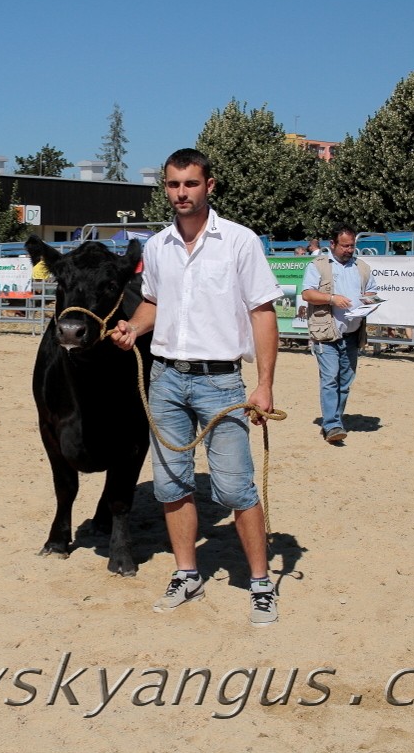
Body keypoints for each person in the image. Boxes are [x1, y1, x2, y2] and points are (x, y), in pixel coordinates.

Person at [110, 148, 281, 626]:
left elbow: (263, 313)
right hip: (164, 378)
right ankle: (188, 573)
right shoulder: (158, 246)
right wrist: (134, 329)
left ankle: (261, 582)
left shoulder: (240, 242)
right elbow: (153, 304)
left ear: (210, 186)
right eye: (172, 184)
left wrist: (264, 385)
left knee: (234, 489)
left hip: (222, 382)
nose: (181, 193)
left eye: (189, 183)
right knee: (171, 485)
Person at [301, 224, 377, 443]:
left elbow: (371, 291)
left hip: (352, 334)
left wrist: (370, 301)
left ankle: (335, 419)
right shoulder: (319, 266)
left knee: (345, 380)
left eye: (352, 245)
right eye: (344, 245)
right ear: (332, 244)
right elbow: (307, 293)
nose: (349, 249)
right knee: (330, 379)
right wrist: (332, 299)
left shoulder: (361, 267)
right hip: (326, 333)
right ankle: (332, 425)